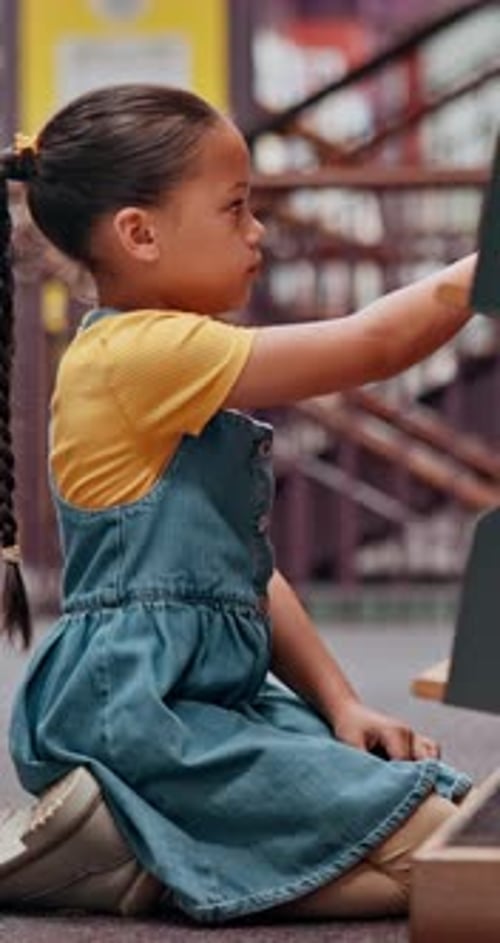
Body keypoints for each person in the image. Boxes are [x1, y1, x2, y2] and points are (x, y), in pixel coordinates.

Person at [0, 84, 475, 923]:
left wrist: (339, 701)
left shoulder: (163, 355)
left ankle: (145, 855)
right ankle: (144, 850)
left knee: (429, 810)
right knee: (441, 843)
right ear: (139, 234)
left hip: (205, 701)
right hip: (142, 714)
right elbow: (374, 341)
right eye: (235, 209)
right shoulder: (140, 352)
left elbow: (242, 571)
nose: (257, 233)